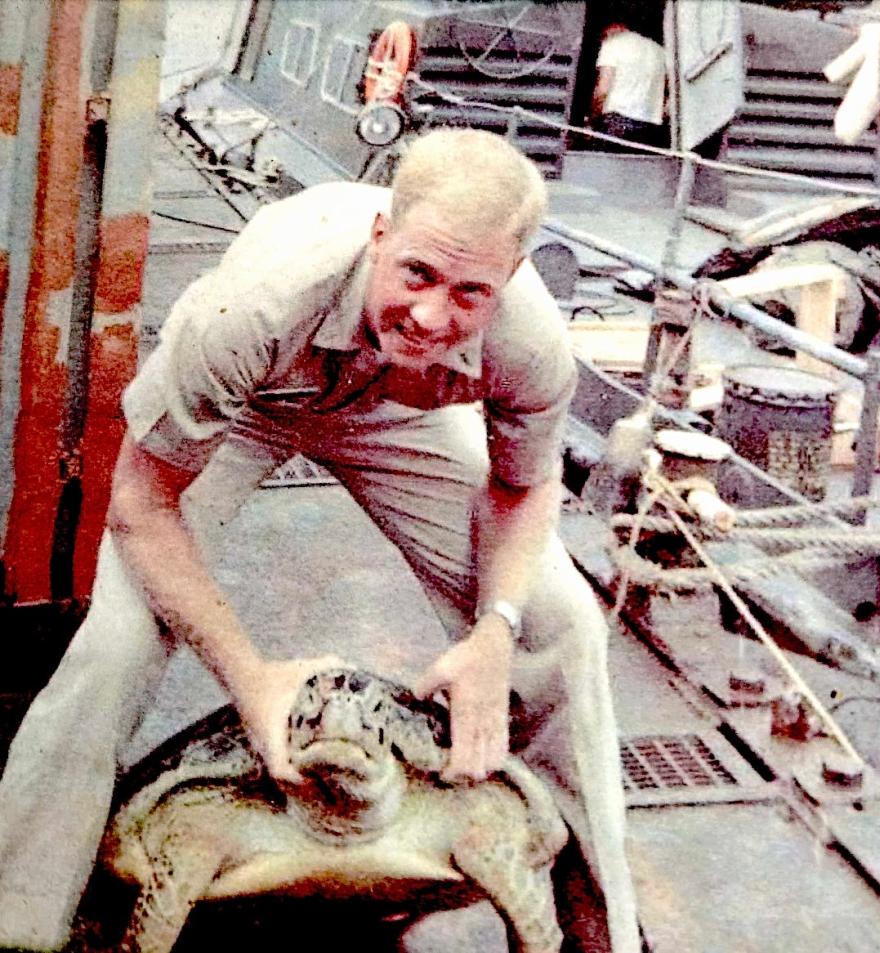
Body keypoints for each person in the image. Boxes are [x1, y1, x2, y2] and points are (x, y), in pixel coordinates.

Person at [0, 129, 640, 952]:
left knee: (564, 625)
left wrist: (495, 629)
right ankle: (20, 919)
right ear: (381, 236)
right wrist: (251, 679)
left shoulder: (530, 343)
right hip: (254, 399)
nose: (434, 313)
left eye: (471, 292)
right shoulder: (254, 305)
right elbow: (142, 504)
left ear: (510, 280)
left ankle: (598, 932)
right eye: (417, 272)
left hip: (399, 413)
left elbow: (521, 487)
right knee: (117, 644)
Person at [591, 23, 668, 150]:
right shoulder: (659, 50)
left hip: (617, 123)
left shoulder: (612, 43)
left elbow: (603, 89)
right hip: (651, 127)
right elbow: (668, 95)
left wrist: (593, 117)